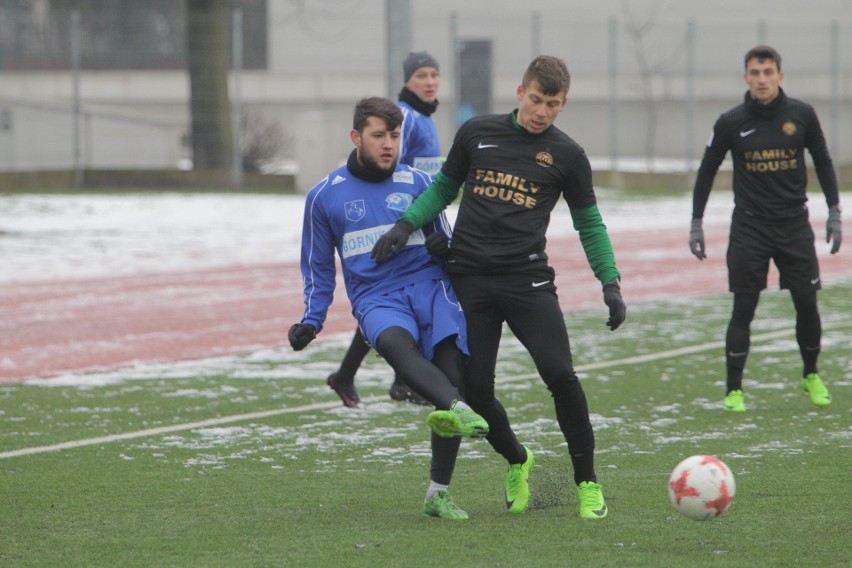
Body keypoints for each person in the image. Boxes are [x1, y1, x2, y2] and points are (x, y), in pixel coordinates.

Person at [371, 55, 627, 519]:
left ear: (562, 103)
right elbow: (442, 189)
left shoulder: (568, 155)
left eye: (551, 104)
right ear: (519, 92)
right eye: (535, 100)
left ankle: (588, 483)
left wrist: (609, 281)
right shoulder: (477, 134)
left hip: (527, 282)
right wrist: (404, 225)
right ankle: (517, 460)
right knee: (476, 394)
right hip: (468, 280)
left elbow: (590, 223)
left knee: (561, 377)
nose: (541, 112)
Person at [288, 96, 490, 520]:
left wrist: (443, 247)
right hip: (376, 297)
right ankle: (456, 408)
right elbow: (318, 267)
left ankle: (438, 493)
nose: (388, 144)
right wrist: (311, 319)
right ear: (356, 137)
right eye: (378, 135)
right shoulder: (324, 197)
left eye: (394, 136)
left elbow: (448, 244)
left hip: (432, 289)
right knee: (397, 346)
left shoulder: (418, 183)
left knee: (452, 373)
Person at [689, 45, 842, 413]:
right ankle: (734, 390)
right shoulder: (731, 121)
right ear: (746, 77)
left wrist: (834, 210)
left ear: (779, 76)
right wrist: (696, 221)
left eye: (768, 72)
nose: (761, 79)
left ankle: (810, 373)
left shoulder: (801, 115)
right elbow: (707, 169)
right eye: (755, 73)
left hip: (794, 226)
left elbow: (822, 160)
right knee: (744, 307)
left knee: (806, 303)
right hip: (750, 229)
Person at [326, 51, 444, 408]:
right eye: (421, 75)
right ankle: (397, 380)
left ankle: (358, 377)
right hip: (399, 221)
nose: (429, 82)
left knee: (398, 302)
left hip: (419, 217)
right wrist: (401, 224)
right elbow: (390, 169)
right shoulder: (405, 117)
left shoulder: (424, 117)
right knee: (391, 300)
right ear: (407, 80)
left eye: (434, 75)